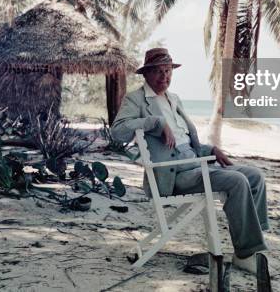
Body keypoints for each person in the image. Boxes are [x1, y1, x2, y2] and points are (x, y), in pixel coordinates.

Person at [111, 47, 269, 273]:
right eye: (158, 71)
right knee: (236, 181)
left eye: (168, 71)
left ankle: (254, 242)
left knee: (254, 176)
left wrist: (211, 149)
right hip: (174, 173)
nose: (164, 76)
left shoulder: (174, 99)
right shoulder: (136, 99)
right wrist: (155, 123)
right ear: (146, 74)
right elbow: (117, 132)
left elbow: (186, 142)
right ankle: (245, 254)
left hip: (196, 162)